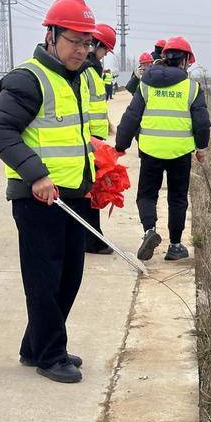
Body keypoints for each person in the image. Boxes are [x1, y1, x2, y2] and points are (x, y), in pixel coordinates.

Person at [0, 0, 97, 384]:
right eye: (74, 41)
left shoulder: (79, 77)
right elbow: (0, 130)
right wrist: (35, 174)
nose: (82, 50)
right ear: (50, 36)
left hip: (73, 196)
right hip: (38, 197)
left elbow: (69, 133)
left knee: (69, 276)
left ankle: (36, 346)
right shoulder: (27, 78)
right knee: (44, 279)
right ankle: (50, 356)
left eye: (88, 43)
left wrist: (94, 164)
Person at [115, 36, 211, 262]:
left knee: (147, 195)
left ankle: (149, 231)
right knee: (177, 198)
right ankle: (175, 246)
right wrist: (201, 148)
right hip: (180, 152)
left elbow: (131, 115)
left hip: (150, 151)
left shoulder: (146, 83)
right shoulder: (191, 87)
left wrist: (121, 144)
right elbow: (202, 122)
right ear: (185, 60)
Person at [81, 23, 117, 254]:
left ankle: (91, 237)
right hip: (88, 138)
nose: (105, 56)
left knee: (91, 190)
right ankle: (92, 240)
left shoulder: (93, 69)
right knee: (88, 193)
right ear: (98, 45)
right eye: (105, 50)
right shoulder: (86, 69)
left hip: (95, 137)